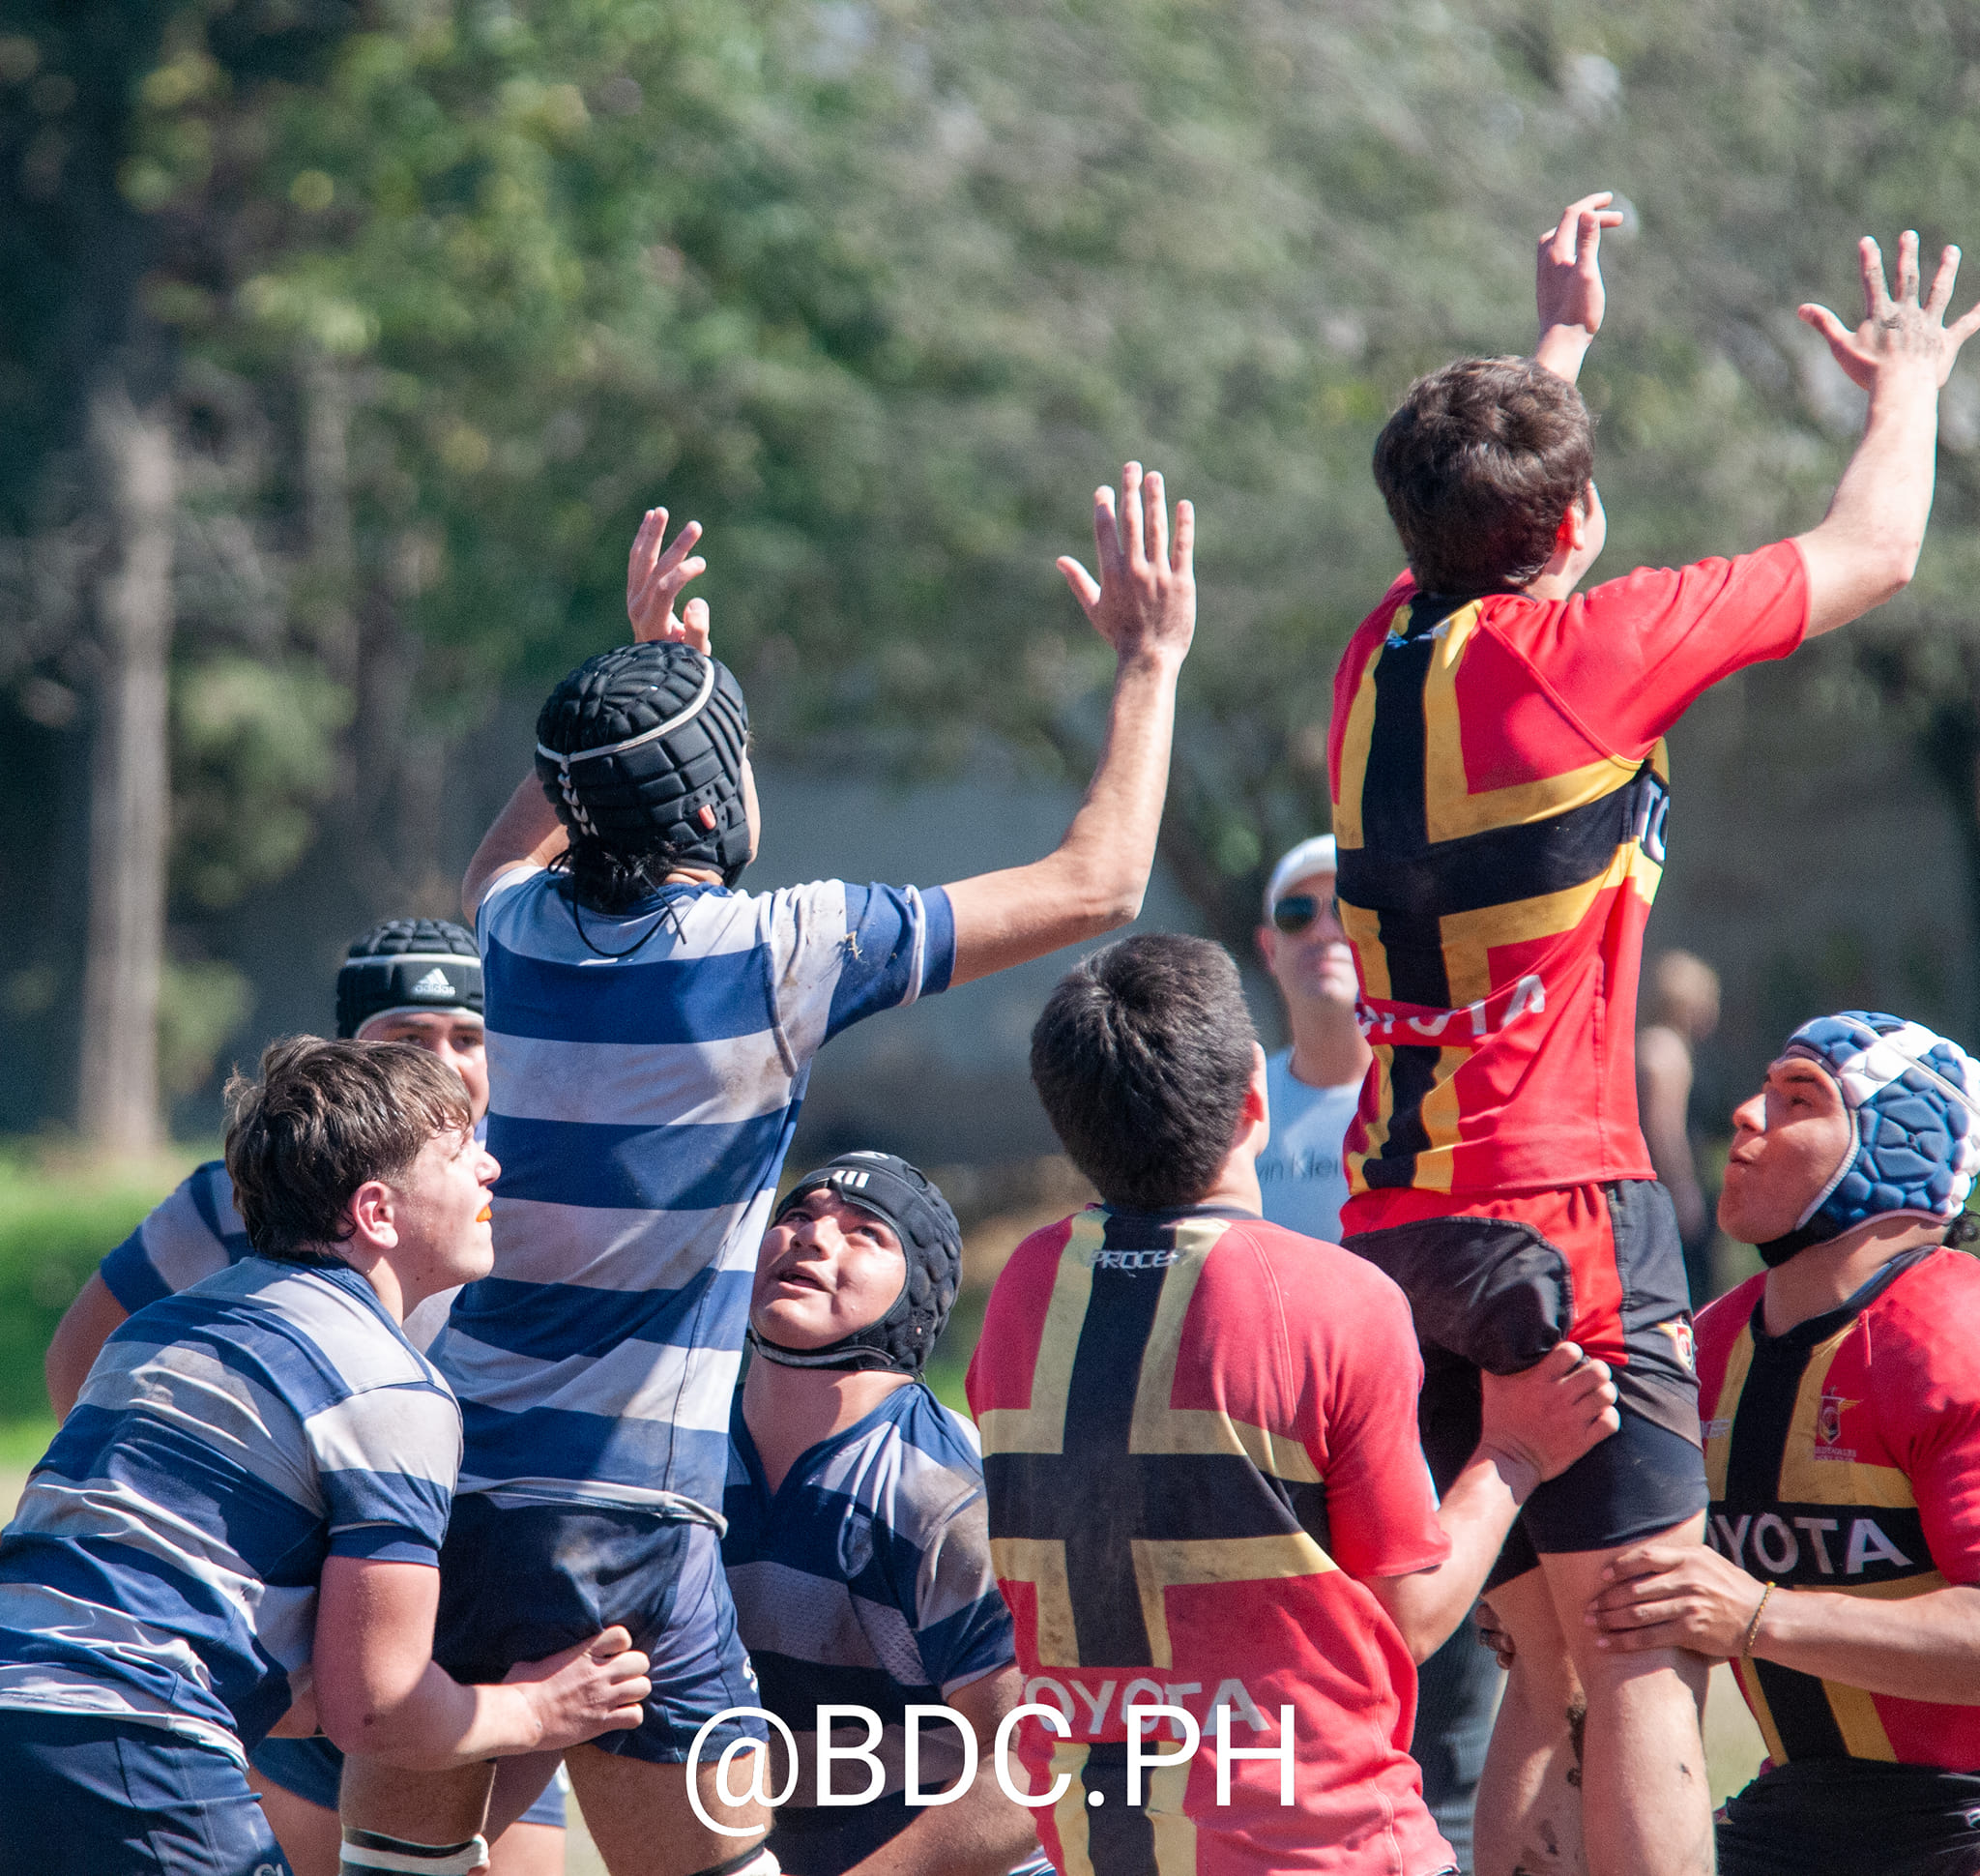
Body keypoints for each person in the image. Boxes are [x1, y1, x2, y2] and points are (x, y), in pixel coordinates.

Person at [343, 463, 1199, 1876]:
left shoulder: (517, 939)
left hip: (445, 1479)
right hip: (623, 1519)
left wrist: (629, 696)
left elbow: (512, 846)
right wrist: (1150, 661)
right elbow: (1099, 881)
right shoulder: (774, 952)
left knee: (402, 1869)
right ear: (705, 813)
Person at [1327, 189, 1980, 1876]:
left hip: (1391, 1218)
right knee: (1640, 1653)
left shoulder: (1376, 661)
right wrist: (1903, 381)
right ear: (1575, 524)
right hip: (1556, 1209)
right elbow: (1871, 553)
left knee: (1532, 1654)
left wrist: (1551, 349)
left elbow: (1489, 528)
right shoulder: (1587, 657)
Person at [968, 934, 1619, 1876]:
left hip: (1095, 1845)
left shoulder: (1024, 1289)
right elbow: (1408, 1617)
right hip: (1324, 1845)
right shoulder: (1332, 1298)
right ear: (1253, 1100)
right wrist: (1512, 1449)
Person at [0, 1037, 650, 1876]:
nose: (490, 1170)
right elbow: (373, 1713)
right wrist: (541, 1711)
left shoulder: (160, 1326)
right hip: (135, 1737)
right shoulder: (386, 1387)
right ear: (377, 1213)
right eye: (459, 1154)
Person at [1583, 1011, 1980, 1876]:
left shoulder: (1959, 1335)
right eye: (1763, 1091)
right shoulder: (1707, 1345)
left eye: (1799, 1098)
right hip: (1793, 1811)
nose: (1747, 1116)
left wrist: (1760, 1617)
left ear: (1898, 1150)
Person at [1255, 834, 1501, 1876]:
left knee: (1443, 1755)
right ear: (1267, 948)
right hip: (1268, 1478)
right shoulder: (1235, 1108)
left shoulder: (1437, 1105)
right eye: (1297, 912)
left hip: (1421, 1456)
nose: (1323, 929)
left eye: (1341, 905)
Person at [723, 1151, 1051, 1876]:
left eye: (864, 1231)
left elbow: (1033, 1766)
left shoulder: (943, 1495)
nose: (813, 1237)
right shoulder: (687, 1459)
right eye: (797, 1216)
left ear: (920, 1295)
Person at [1636, 951, 1724, 1307]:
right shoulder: (1665, 1050)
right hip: (1666, 1196)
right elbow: (1666, 1130)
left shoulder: (1649, 1043)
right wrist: (1684, 1193)